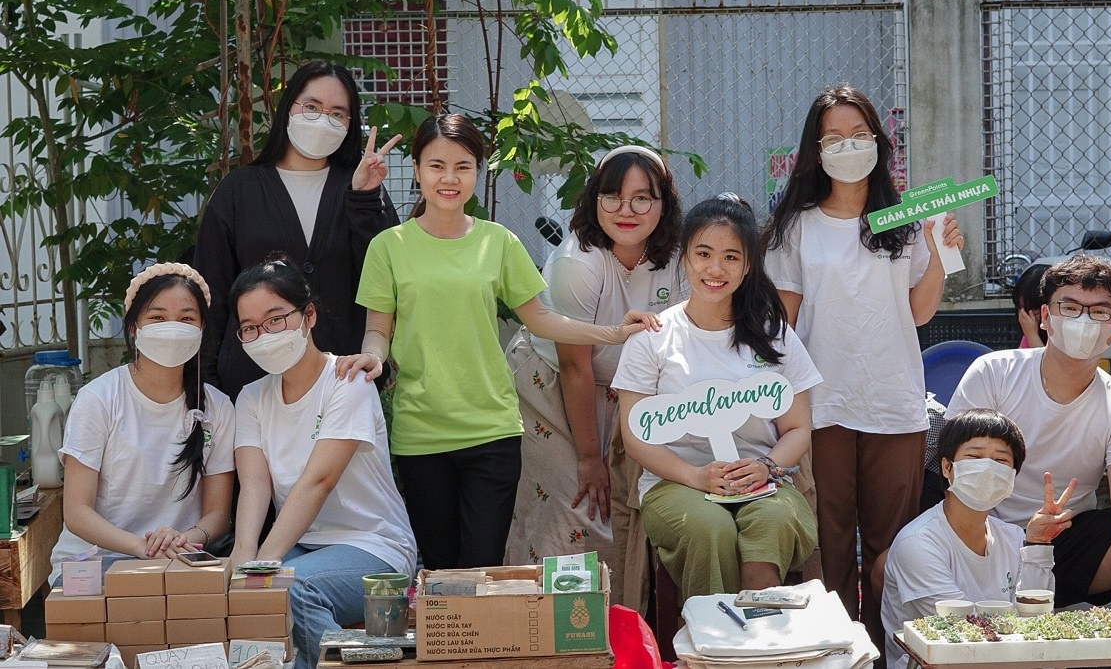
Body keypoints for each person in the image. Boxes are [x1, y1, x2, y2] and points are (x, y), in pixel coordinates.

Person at [347, 113, 659, 570]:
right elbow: (378, 329)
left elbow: (543, 320)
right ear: (416, 170)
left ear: (479, 170)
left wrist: (613, 333)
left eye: (463, 166)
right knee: (439, 568)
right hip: (420, 434)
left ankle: (490, 645)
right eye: (436, 166)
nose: (449, 178)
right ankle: (448, 644)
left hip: (492, 431)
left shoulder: (499, 243)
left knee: (484, 566)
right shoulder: (389, 246)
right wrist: (372, 358)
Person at [761, 84, 963, 646]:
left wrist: (941, 255)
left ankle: (888, 651)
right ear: (815, 149)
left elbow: (920, 312)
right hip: (820, 406)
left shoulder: (904, 220)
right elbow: (783, 324)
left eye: (860, 135)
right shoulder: (795, 226)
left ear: (880, 142)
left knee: (890, 546)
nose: (848, 146)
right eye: (834, 137)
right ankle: (832, 650)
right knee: (826, 543)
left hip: (894, 402)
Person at [946, 254, 1111, 617]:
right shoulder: (994, 373)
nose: (1084, 320)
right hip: (980, 534)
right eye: (1070, 306)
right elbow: (950, 464)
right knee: (889, 564)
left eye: (1100, 311)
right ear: (1046, 316)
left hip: (1062, 544)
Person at [612, 194, 821, 600]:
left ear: (747, 266)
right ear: (685, 258)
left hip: (764, 482)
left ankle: (762, 644)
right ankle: (713, 651)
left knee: (772, 522)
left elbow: (798, 428)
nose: (715, 268)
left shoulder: (773, 334)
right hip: (676, 481)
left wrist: (766, 467)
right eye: (704, 253)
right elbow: (634, 435)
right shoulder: (652, 338)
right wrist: (694, 476)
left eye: (730, 257)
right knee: (711, 528)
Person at [503, 146, 686, 598]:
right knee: (577, 504)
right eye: (613, 197)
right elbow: (574, 364)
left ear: (663, 205)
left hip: (632, 393)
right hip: (557, 386)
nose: (627, 211)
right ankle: (544, 628)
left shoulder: (680, 257)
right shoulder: (576, 262)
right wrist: (590, 458)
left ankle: (624, 631)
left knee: (629, 504)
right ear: (594, 200)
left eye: (642, 198)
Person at [227, 258, 417, 669]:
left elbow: (319, 480)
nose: (263, 335)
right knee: (240, 587)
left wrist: (264, 566)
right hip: (306, 545)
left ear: (308, 315)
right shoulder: (251, 398)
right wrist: (243, 557)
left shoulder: (348, 381)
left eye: (276, 319)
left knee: (291, 589)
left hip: (374, 546)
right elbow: (255, 485)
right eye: (250, 328)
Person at [195, 60, 401, 401]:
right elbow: (210, 292)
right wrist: (210, 383)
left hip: (343, 383)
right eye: (312, 107)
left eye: (338, 113)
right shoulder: (239, 190)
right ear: (289, 107)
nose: (324, 119)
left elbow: (385, 278)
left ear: (350, 124)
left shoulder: (361, 187)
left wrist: (365, 199)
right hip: (249, 386)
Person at [49, 263, 235, 585]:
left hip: (179, 558)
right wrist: (141, 547)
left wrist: (184, 539)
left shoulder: (218, 407)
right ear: (134, 327)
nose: (172, 327)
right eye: (158, 317)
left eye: (187, 318)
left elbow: (218, 515)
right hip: (95, 561)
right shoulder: (99, 399)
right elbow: (77, 512)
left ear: (202, 328)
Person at [881, 409, 1076, 669]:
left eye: (1001, 461)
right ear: (947, 467)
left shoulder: (1015, 537)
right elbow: (964, 634)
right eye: (974, 456)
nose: (988, 467)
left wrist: (1037, 545)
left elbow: (1038, 618)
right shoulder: (918, 543)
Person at [1012, 263, 1049, 348]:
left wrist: (1032, 335)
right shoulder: (1029, 331)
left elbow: (1044, 361)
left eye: (1034, 310)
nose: (1025, 316)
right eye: (1021, 308)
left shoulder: (1062, 335)